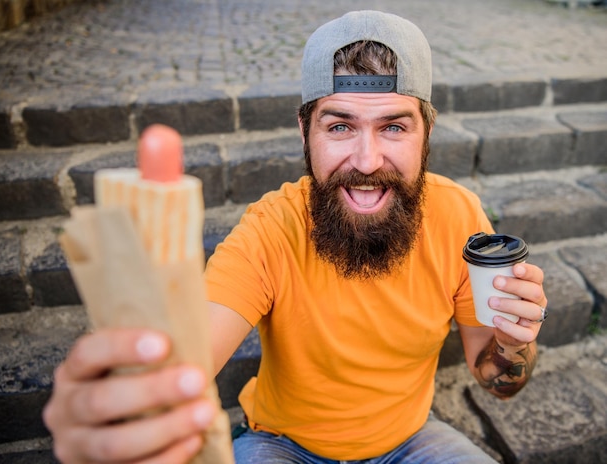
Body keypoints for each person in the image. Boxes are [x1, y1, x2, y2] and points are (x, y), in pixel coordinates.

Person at [43, 10, 548, 463]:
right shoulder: (270, 228)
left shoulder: (460, 216)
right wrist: (131, 402)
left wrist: (514, 341)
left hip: (413, 441)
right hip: (280, 445)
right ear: (304, 130)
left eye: (394, 127)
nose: (367, 161)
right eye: (339, 127)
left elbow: (496, 381)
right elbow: (188, 352)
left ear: (426, 133)